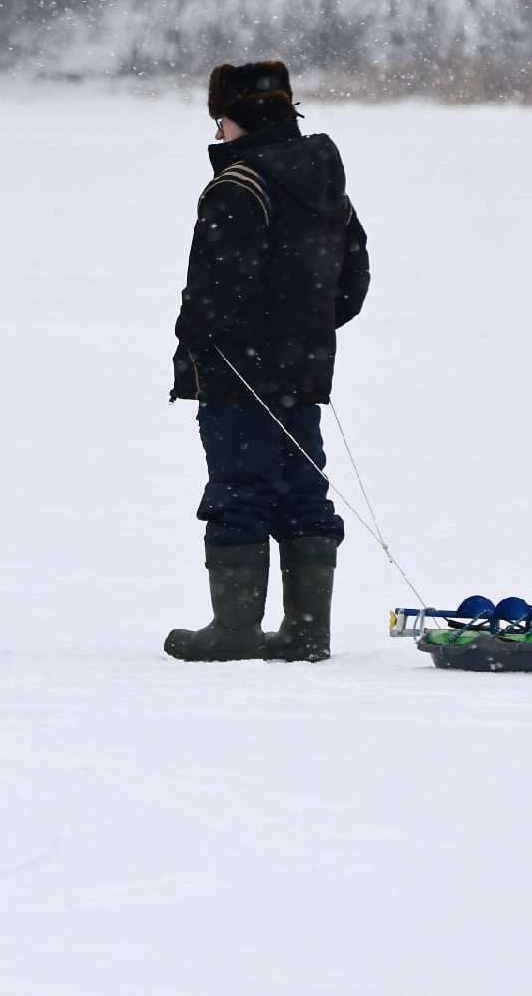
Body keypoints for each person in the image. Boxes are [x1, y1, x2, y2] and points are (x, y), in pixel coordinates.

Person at [166, 62, 370, 663]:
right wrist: (301, 332)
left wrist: (196, 341)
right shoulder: (326, 184)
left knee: (240, 489)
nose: (216, 135)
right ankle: (308, 633)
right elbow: (352, 282)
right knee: (302, 490)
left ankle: (233, 632)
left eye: (220, 122)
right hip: (301, 369)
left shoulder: (238, 185)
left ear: (240, 121)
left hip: (238, 373)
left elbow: (214, 288)